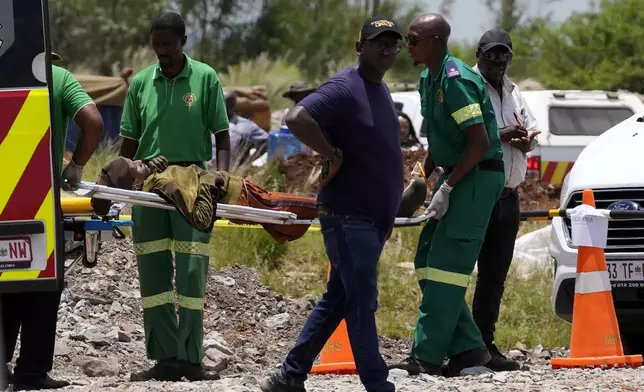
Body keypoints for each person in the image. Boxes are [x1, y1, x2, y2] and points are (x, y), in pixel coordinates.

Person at [260, 16, 404, 392]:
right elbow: (297, 116)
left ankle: (289, 377)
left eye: (392, 43)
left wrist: (386, 216)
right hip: (347, 216)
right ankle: (378, 384)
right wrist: (331, 152)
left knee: (339, 300)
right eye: (378, 42)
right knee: (361, 303)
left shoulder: (380, 90)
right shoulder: (345, 86)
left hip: (369, 220)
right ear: (360, 48)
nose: (386, 49)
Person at [389, 13, 505, 377]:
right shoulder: (428, 77)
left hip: (476, 177)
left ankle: (426, 356)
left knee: (446, 269)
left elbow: (478, 141)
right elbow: (440, 137)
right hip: (456, 174)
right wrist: (423, 172)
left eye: (413, 40)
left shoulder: (456, 80)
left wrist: (449, 187)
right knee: (426, 259)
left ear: (436, 41)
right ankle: (469, 349)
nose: (407, 46)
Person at [118, 11, 230, 382]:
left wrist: (220, 177)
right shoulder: (139, 83)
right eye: (157, 44)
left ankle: (191, 358)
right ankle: (164, 358)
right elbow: (130, 142)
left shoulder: (205, 77)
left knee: (191, 271)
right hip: (148, 183)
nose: (162, 51)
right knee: (152, 271)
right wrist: (123, 176)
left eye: (168, 44)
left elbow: (222, 134)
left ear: (184, 42)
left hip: (193, 181)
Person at [1, 57, 104, 390]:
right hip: (39, 199)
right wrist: (75, 166)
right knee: (42, 284)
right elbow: (93, 122)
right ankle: (31, 372)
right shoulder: (58, 78)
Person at [470, 29, 540, 371]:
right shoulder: (467, 85)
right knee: (456, 273)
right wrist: (502, 136)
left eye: (504, 54)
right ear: (479, 53)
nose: (498, 61)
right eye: (492, 54)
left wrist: (526, 140)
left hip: (509, 195)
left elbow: (531, 129)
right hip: (477, 195)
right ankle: (457, 346)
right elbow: (463, 138)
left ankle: (484, 344)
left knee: (494, 276)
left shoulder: (514, 91)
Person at [220, 90, 268, 168]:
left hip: (232, 174)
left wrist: (254, 165)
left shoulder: (246, 127)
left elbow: (271, 146)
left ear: (231, 106)